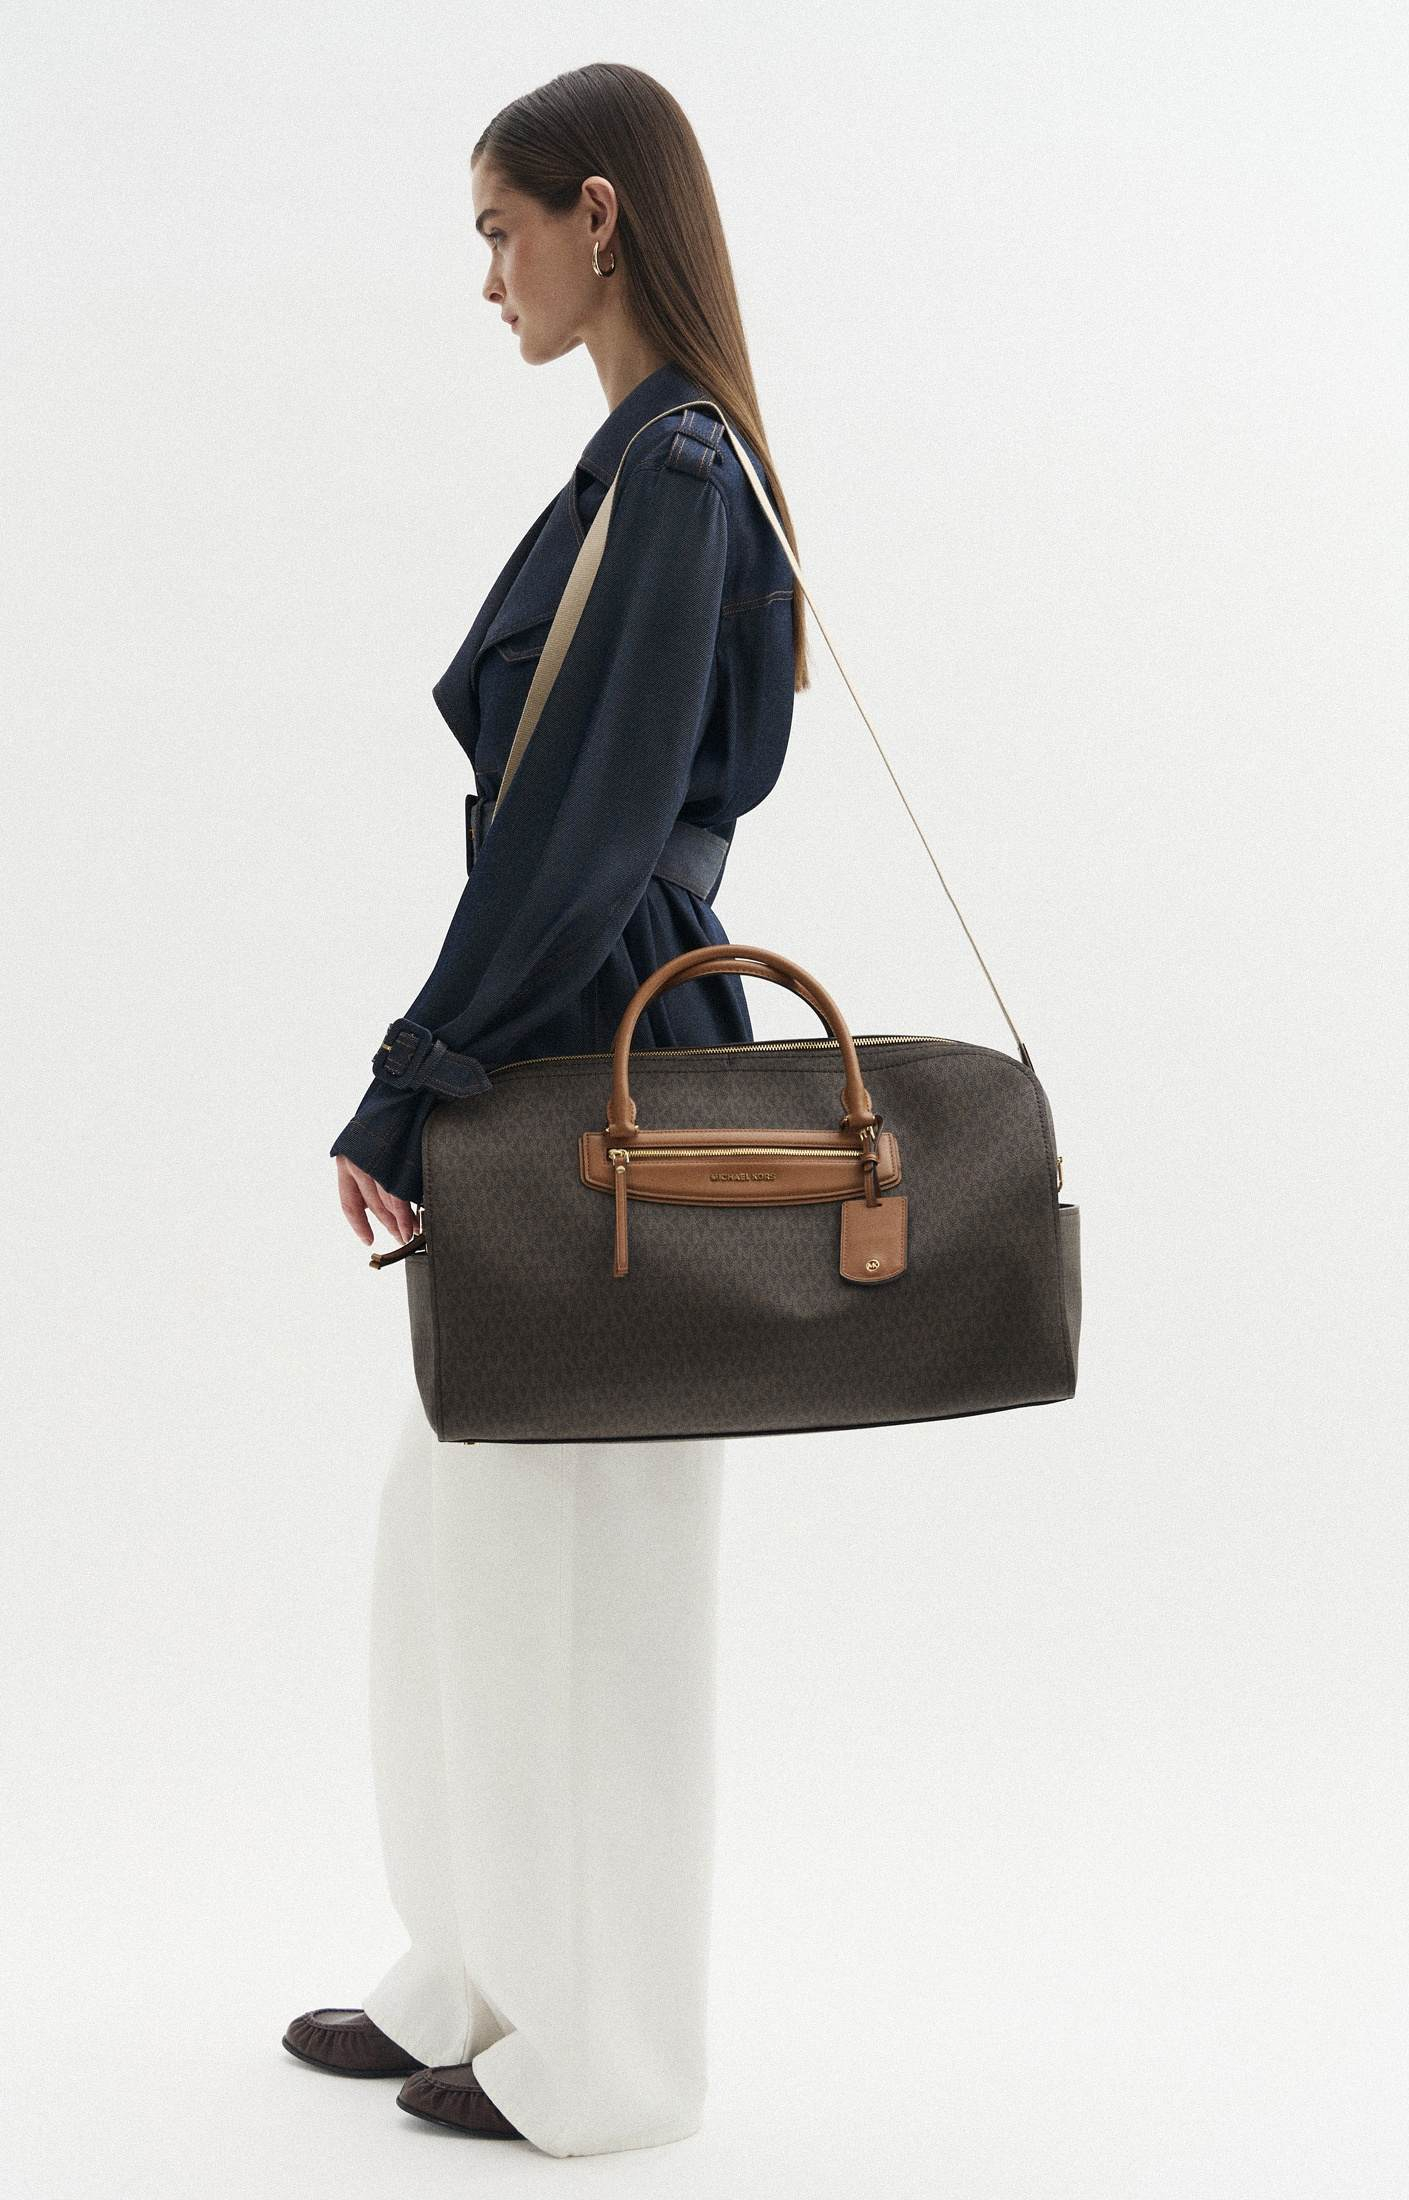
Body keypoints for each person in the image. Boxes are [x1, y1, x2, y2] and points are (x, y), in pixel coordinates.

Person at [281, 64, 807, 2156]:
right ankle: (484, 1970)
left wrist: (409, 1080)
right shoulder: (640, 466)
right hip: (565, 1052)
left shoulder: (672, 471)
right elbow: (568, 830)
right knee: (468, 1540)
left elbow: (579, 843)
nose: (488, 275)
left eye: (502, 230)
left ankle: (608, 2056)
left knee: (599, 1576)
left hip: (604, 1062)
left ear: (601, 213)